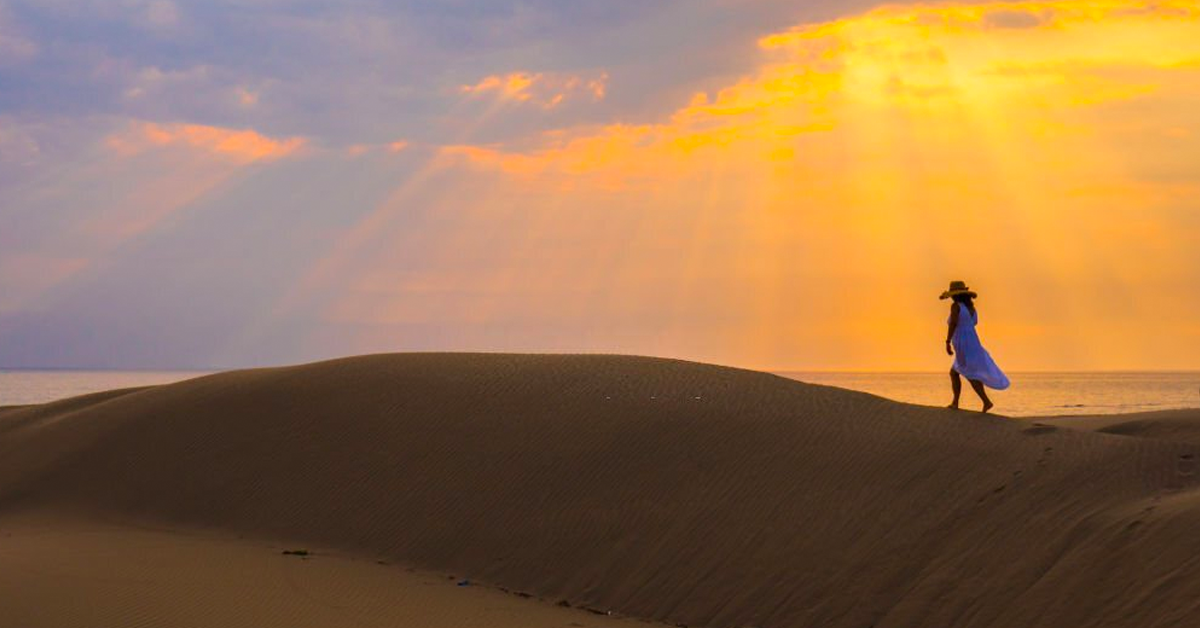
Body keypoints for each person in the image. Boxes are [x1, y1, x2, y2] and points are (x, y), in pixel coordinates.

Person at [941, 280, 1009, 412]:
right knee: (956, 372)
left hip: (963, 342)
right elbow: (974, 323)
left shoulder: (956, 306)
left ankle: (982, 401)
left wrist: (947, 341)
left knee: (968, 373)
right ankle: (958, 402)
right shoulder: (972, 308)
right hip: (972, 341)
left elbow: (953, 323)